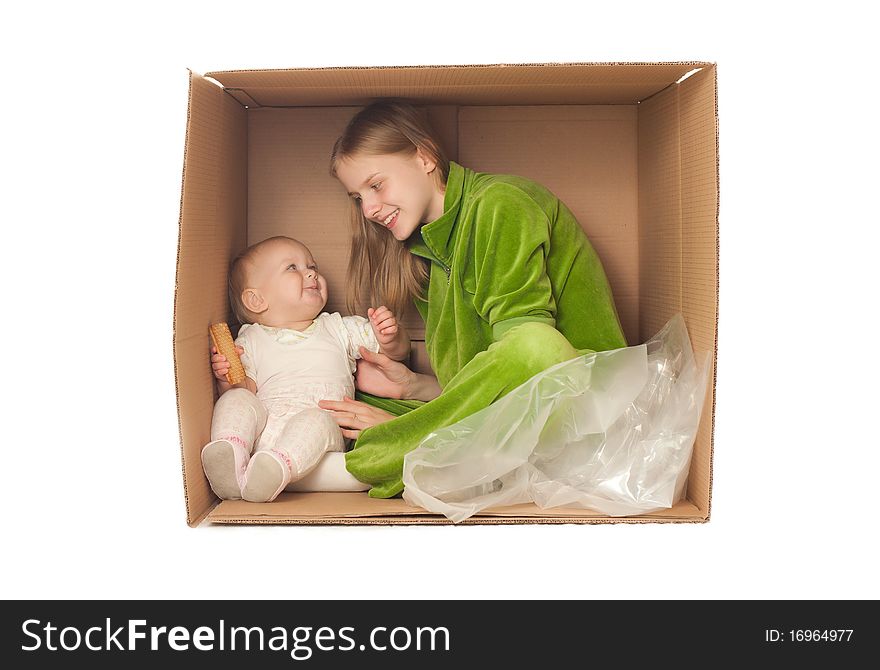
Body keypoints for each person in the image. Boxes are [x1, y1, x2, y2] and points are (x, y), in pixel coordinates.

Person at [317, 100, 628, 499]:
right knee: (350, 399)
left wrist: (412, 429)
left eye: (376, 185)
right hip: (511, 420)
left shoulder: (500, 203)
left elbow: (532, 372)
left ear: (425, 157)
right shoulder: (427, 249)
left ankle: (385, 456)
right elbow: (484, 385)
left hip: (585, 413)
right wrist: (415, 388)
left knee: (535, 343)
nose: (370, 209)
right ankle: (394, 448)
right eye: (358, 198)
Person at [205, 235, 409, 502]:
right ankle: (231, 455)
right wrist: (227, 380)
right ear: (256, 300)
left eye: (312, 266)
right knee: (235, 398)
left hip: (317, 445)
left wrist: (390, 337)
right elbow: (247, 389)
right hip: (261, 441)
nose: (311, 272)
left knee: (319, 419)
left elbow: (397, 353)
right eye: (293, 268)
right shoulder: (250, 340)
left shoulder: (338, 328)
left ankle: (278, 469)